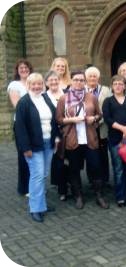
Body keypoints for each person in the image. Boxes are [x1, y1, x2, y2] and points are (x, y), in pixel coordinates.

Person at [56, 70, 109, 209]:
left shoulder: (91, 97)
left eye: (81, 80)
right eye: (76, 80)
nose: (79, 82)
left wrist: (95, 118)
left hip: (90, 138)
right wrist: (72, 119)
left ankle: (99, 195)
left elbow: (100, 114)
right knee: (74, 169)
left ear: (84, 82)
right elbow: (59, 119)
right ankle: (78, 196)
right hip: (73, 140)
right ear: (71, 81)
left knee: (96, 168)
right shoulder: (63, 98)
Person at [15, 73, 59, 222]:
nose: (36, 86)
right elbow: (20, 128)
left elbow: (54, 120)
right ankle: (35, 208)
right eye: (33, 84)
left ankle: (42, 204)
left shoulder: (45, 98)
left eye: (39, 84)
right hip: (33, 147)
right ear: (28, 85)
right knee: (37, 175)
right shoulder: (24, 102)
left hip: (48, 143)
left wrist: (57, 138)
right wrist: (25, 148)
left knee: (43, 174)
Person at [103, 75, 126, 207]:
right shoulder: (108, 101)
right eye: (115, 84)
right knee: (118, 169)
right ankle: (120, 197)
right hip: (115, 140)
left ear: (125, 86)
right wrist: (122, 128)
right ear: (112, 86)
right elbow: (107, 118)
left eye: (121, 84)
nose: (118, 86)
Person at [8, 59, 33, 196]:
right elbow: (17, 106)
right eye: (21, 68)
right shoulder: (14, 85)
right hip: (22, 125)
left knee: (34, 156)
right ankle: (24, 188)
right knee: (24, 155)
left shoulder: (33, 83)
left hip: (34, 125)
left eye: (26, 67)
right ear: (17, 71)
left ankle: (33, 185)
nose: (24, 70)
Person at [85, 66, 112, 186]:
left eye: (94, 76)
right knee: (90, 154)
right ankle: (92, 179)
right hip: (87, 128)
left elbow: (109, 108)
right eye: (90, 76)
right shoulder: (82, 90)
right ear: (86, 78)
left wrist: (98, 121)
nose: (92, 78)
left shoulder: (106, 90)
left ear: (98, 77)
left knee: (103, 154)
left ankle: (104, 179)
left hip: (102, 127)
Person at [44, 71, 68, 201]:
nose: (53, 82)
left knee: (69, 160)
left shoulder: (66, 93)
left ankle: (70, 184)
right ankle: (62, 188)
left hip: (68, 132)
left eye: (56, 80)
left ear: (59, 80)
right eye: (51, 80)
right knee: (59, 160)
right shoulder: (44, 97)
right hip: (54, 134)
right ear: (46, 82)